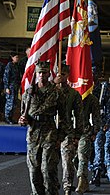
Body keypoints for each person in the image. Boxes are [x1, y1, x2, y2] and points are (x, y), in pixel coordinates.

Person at [18, 61, 68, 195]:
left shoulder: (57, 93)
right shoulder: (29, 93)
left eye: (44, 72)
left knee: (47, 170)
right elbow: (23, 115)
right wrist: (22, 121)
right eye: (39, 72)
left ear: (49, 74)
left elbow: (64, 118)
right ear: (36, 73)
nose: (41, 75)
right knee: (34, 171)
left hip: (49, 133)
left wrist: (60, 137)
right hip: (33, 133)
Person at [54, 64, 84, 195]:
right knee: (50, 163)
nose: (60, 77)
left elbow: (79, 116)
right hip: (50, 131)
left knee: (67, 162)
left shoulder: (73, 94)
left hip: (67, 131)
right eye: (58, 74)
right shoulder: (50, 91)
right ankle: (52, 186)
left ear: (68, 76)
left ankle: (67, 187)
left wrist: (77, 135)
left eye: (64, 74)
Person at [75, 93, 101, 194]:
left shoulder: (91, 99)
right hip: (71, 131)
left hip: (86, 131)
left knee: (82, 156)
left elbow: (96, 116)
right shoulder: (70, 95)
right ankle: (85, 181)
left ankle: (81, 182)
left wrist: (95, 131)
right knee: (74, 160)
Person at [90, 79, 110, 186]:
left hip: (105, 123)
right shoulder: (88, 89)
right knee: (97, 147)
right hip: (95, 124)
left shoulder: (104, 88)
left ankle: (101, 170)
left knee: (106, 148)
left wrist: (107, 122)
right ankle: (96, 171)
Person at [3, 51, 21, 124]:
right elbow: (6, 77)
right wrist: (6, 87)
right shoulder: (9, 65)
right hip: (10, 87)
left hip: (15, 86)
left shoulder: (16, 66)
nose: (17, 59)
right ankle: (7, 117)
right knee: (9, 103)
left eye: (18, 57)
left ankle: (11, 117)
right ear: (12, 58)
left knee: (14, 103)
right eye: (16, 57)